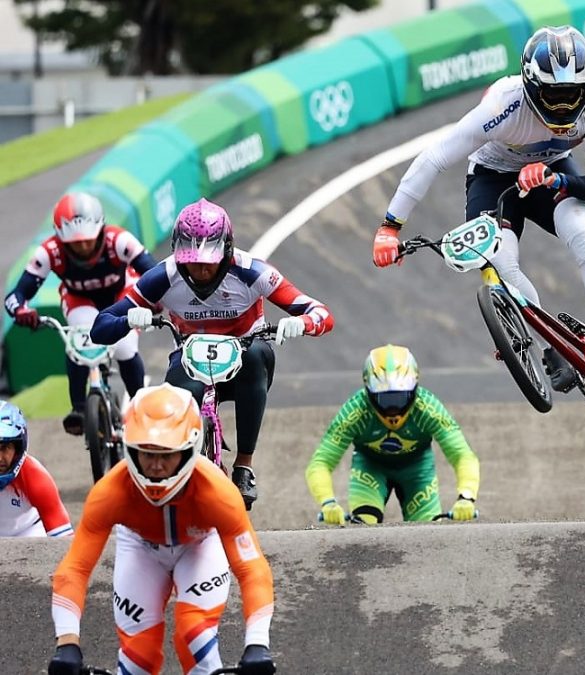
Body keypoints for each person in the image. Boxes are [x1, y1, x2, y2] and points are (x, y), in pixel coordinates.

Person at [371, 25, 585, 389]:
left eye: (572, 95)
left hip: (551, 171)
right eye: (551, 95)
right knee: (501, 263)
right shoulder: (502, 106)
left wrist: (556, 179)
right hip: (492, 176)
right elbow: (435, 157)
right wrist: (390, 227)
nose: (562, 107)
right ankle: (552, 346)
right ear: (530, 85)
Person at [90, 198, 334, 509]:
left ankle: (244, 465)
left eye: (209, 259)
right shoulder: (163, 275)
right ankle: (184, 468)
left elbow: (322, 313)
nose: (201, 269)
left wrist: (303, 322)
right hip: (190, 359)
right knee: (177, 396)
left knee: (258, 353)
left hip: (245, 357)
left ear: (227, 250)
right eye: (192, 260)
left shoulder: (252, 272)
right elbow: (100, 326)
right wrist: (128, 319)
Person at [47, 384, 275, 675]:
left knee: (196, 638)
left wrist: (257, 644)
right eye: (146, 453)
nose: (156, 466)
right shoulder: (110, 493)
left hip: (199, 546)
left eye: (167, 454)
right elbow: (75, 568)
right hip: (141, 549)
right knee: (137, 658)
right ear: (129, 449)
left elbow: (252, 569)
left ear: (189, 451)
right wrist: (67, 643)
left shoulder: (218, 493)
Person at [4, 191, 156, 435]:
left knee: (126, 348)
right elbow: (15, 295)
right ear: (61, 240)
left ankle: (140, 406)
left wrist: (155, 299)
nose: (84, 248)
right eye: (75, 244)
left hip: (121, 294)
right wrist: (21, 310)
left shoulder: (120, 240)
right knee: (79, 341)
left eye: (88, 240)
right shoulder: (49, 252)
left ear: (101, 231)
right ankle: (80, 408)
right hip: (79, 298)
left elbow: (154, 272)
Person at [306, 344, 480, 524]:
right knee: (364, 528)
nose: (393, 411)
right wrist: (328, 503)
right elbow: (320, 463)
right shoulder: (355, 412)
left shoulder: (428, 409)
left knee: (427, 536)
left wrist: (466, 497)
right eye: (385, 400)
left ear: (414, 391)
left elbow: (463, 456)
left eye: (400, 398)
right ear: (369, 393)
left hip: (417, 472)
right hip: (371, 468)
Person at [0, 400, 73, 537]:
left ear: (17, 449)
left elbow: (64, 541)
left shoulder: (35, 476)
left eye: (5, 448)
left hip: (28, 534)